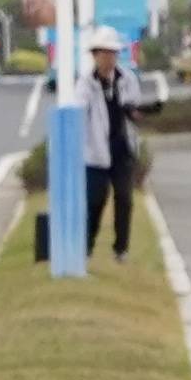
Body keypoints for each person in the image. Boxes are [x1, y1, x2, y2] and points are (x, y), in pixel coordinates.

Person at [79, 32, 148, 259]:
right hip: (96, 151)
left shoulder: (127, 79)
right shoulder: (86, 83)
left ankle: (121, 249)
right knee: (95, 201)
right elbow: (80, 112)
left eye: (113, 53)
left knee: (124, 199)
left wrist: (137, 113)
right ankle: (86, 247)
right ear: (95, 55)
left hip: (122, 148)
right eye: (105, 53)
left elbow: (134, 106)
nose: (109, 58)